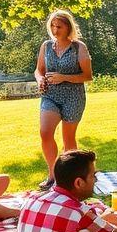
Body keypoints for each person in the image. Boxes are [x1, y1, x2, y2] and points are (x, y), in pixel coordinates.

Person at [35, 10, 93, 189]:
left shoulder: (78, 47)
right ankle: (53, 175)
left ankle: (69, 179)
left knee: (68, 140)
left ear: (68, 27)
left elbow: (88, 76)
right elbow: (38, 70)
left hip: (73, 97)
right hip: (50, 95)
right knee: (45, 133)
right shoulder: (46, 46)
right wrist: (40, 80)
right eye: (52, 26)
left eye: (59, 26)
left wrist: (64, 77)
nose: (55, 29)